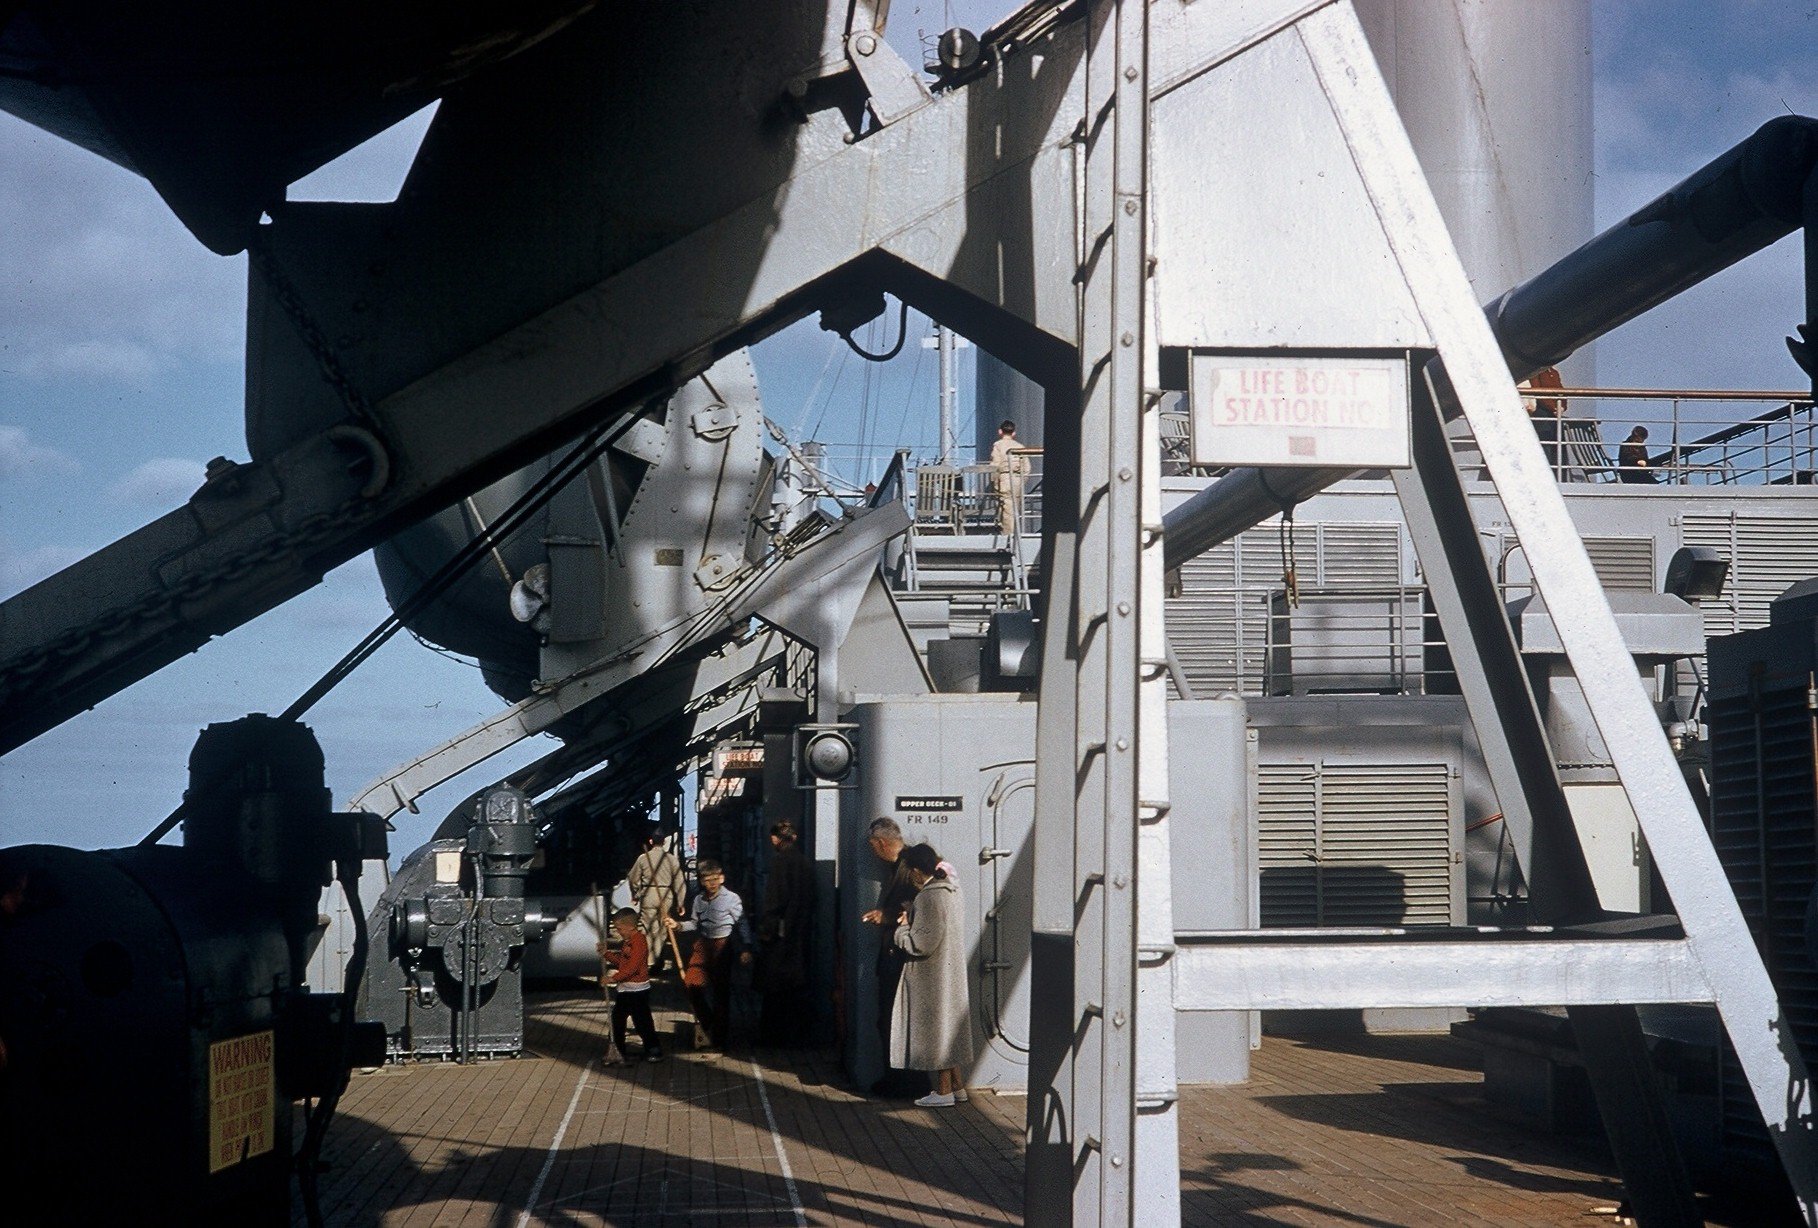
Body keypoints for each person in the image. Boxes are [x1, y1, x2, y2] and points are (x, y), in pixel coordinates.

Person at [890, 843, 974, 1108]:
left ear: (916, 871)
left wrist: (902, 929)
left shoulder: (928, 897)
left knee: (938, 1034)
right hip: (949, 971)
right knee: (947, 1030)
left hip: (931, 977)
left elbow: (921, 944)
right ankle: (957, 1087)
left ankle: (943, 1091)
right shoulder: (952, 890)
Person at [861, 817, 928, 1097]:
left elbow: (919, 909)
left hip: (901, 957)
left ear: (881, 843)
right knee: (893, 1020)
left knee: (894, 1019)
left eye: (872, 846)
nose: (872, 852)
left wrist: (886, 916)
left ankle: (904, 1082)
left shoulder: (909, 868)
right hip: (897, 956)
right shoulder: (902, 866)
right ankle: (898, 1079)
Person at [665, 859, 751, 1050]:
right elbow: (694, 924)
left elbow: (742, 923)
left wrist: (746, 947)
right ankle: (707, 1019)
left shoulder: (732, 899)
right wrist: (677, 925)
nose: (711, 883)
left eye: (715, 879)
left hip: (723, 947)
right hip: (703, 946)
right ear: (702, 881)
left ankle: (719, 1039)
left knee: (721, 993)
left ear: (722, 878)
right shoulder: (698, 900)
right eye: (707, 879)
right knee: (691, 983)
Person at [757, 820, 813, 1045]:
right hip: (800, 931)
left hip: (780, 932)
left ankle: (773, 1035)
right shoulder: (804, 861)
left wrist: (767, 929)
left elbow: (775, 899)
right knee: (796, 985)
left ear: (775, 839)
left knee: (774, 985)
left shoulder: (780, 862)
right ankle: (797, 1035)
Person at [596, 907, 664, 1064]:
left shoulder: (639, 942)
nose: (618, 932)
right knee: (617, 1020)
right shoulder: (627, 942)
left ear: (630, 927)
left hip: (637, 990)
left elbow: (632, 968)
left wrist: (612, 979)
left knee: (642, 1022)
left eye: (620, 929)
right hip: (626, 989)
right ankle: (617, 1050)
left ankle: (654, 1049)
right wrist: (606, 954)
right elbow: (622, 962)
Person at [628, 824, 685, 973]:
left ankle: (648, 961)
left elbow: (633, 878)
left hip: (648, 894)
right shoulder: (671, 859)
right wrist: (680, 902)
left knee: (647, 928)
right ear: (664, 842)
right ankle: (657, 960)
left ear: (651, 841)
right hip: (666, 895)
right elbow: (679, 881)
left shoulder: (643, 858)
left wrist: (635, 894)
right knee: (662, 929)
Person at [989, 419, 1030, 536]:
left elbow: (995, 466)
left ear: (1000, 431)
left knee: (1006, 510)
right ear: (1014, 433)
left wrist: (994, 483)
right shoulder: (1020, 446)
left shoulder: (998, 445)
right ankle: (1015, 533)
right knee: (1015, 508)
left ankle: (1008, 535)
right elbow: (1027, 468)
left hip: (1004, 478)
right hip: (1017, 479)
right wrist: (1022, 480)